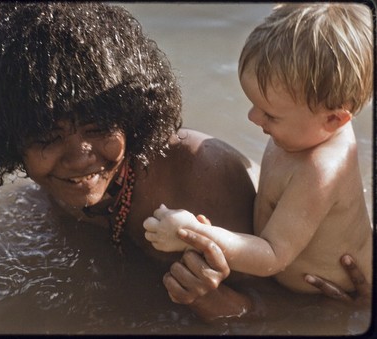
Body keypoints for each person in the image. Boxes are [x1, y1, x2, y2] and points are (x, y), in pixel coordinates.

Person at [0, 2, 368, 323]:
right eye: (47, 138)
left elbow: (291, 310)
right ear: (6, 139)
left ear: (131, 113)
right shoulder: (58, 183)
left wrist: (216, 301)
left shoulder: (203, 178)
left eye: (97, 128)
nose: (78, 159)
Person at [143, 3, 373, 295]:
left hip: (332, 299)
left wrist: (194, 235)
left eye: (270, 115)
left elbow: (273, 256)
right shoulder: (311, 123)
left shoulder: (321, 169)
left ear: (334, 119)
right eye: (255, 105)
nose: (252, 117)